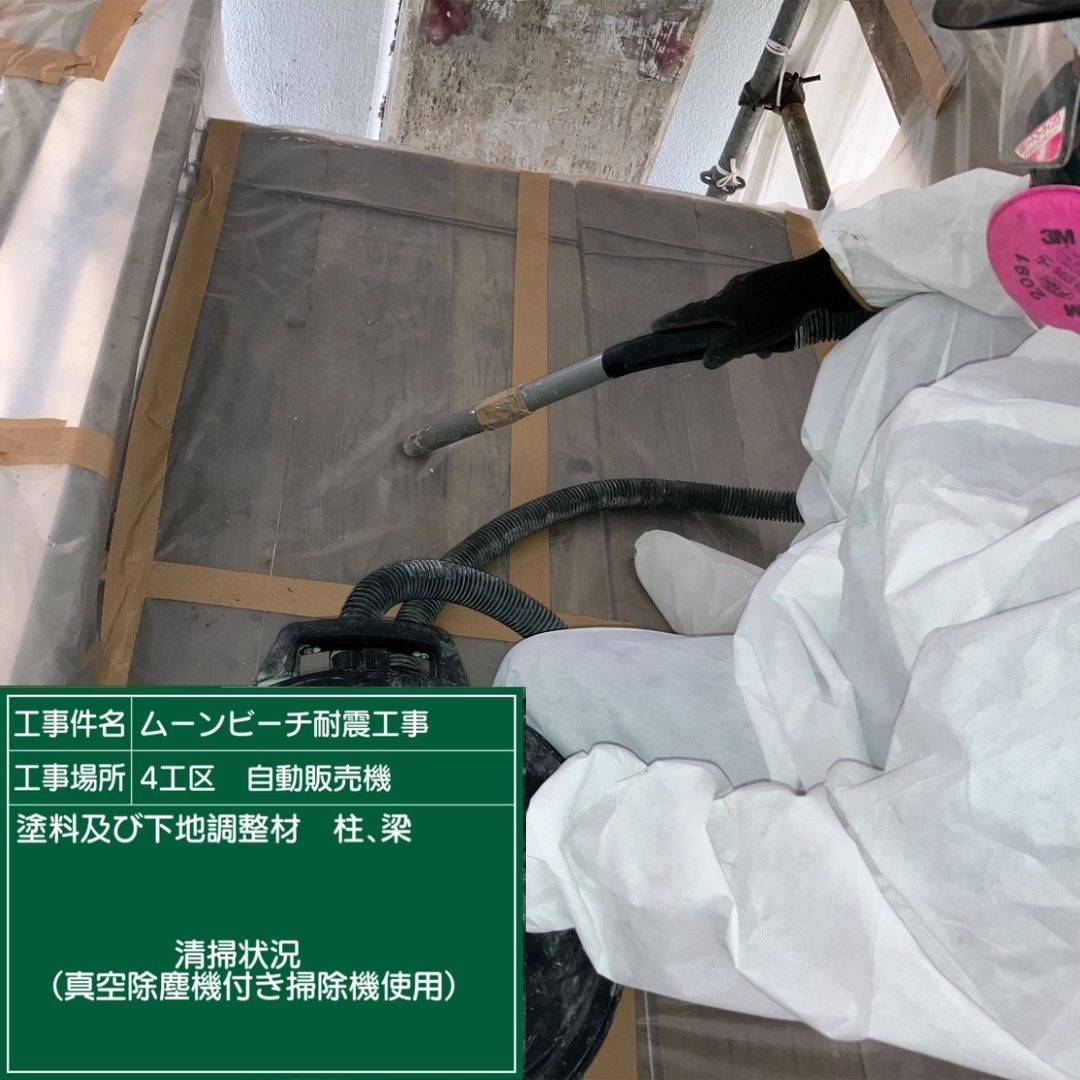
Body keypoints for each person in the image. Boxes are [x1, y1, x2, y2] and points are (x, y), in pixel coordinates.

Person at [495, 4, 1080, 1076]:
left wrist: (550, 849)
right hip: (962, 612)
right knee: (938, 333)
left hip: (921, 793)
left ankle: (811, 690)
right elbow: (1031, 237)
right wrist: (834, 277)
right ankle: (798, 617)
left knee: (542, 690)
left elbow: (889, 914)